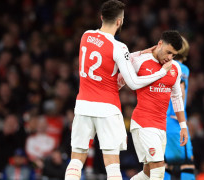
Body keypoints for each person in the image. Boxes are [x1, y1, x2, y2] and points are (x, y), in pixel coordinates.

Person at [64, 1, 172, 180]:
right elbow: (134, 83)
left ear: (101, 17)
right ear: (120, 22)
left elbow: (107, 61)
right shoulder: (119, 48)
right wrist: (161, 72)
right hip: (107, 108)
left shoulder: (86, 35)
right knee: (112, 165)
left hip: (83, 105)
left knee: (76, 159)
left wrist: (139, 54)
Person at [118, 30, 188, 180]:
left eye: (174, 55)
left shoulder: (174, 68)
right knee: (158, 168)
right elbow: (119, 79)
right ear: (160, 44)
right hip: (143, 122)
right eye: (168, 52)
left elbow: (176, 97)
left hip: (161, 125)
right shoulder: (141, 61)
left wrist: (183, 125)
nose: (169, 57)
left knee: (148, 172)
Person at [164, 37, 196, 180]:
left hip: (163, 122)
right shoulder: (182, 69)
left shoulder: (165, 66)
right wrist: (179, 113)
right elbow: (180, 90)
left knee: (165, 164)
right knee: (187, 164)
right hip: (176, 123)